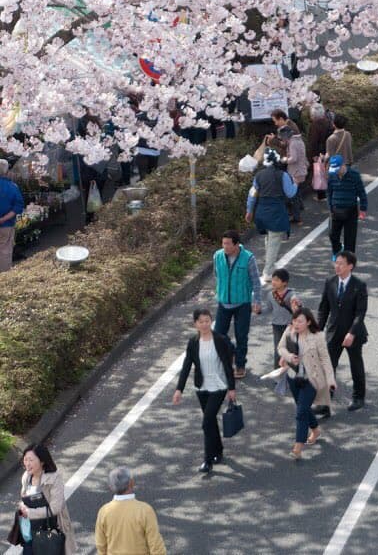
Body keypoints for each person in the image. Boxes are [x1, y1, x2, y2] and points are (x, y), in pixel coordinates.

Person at [172, 308, 238, 474]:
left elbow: (227, 365)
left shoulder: (220, 340)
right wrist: (179, 389)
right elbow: (187, 366)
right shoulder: (193, 342)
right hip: (201, 387)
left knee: (206, 421)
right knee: (210, 420)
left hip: (219, 385)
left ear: (211, 321)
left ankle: (207, 460)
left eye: (207, 321)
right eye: (201, 322)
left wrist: (231, 388)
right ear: (195, 324)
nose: (204, 324)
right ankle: (218, 450)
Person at [277, 306, 335, 459]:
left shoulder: (318, 337)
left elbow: (325, 359)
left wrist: (330, 379)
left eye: (300, 321)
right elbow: (280, 348)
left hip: (312, 379)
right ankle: (315, 430)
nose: (296, 324)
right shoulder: (289, 331)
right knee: (302, 407)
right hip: (293, 376)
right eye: (294, 321)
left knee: (301, 412)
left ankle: (298, 446)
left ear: (308, 322)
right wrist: (289, 357)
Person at [318, 251, 369, 412]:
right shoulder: (330, 282)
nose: (337, 266)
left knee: (356, 364)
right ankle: (325, 402)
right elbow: (324, 309)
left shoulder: (359, 285)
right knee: (328, 366)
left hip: (353, 333)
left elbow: (360, 312)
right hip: (333, 332)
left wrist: (352, 332)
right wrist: (317, 331)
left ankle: (358, 397)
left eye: (341, 263)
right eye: (336, 263)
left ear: (350, 266)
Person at [211, 230, 260, 378]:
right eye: (223, 243)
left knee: (241, 336)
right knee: (218, 335)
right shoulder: (217, 256)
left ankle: (240, 365)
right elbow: (216, 275)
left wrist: (257, 300)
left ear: (237, 244)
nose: (225, 246)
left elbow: (255, 281)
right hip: (223, 302)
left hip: (242, 303)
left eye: (228, 244)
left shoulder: (248, 258)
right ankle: (232, 351)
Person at [245, 149, 297, 282]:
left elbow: (252, 195)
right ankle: (268, 271)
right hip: (276, 211)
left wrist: (249, 211)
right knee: (274, 239)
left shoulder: (259, 176)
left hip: (261, 211)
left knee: (269, 237)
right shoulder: (283, 175)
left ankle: (270, 265)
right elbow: (290, 193)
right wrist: (296, 183)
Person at [15, 444, 76, 555]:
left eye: (31, 460)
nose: (27, 463)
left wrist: (30, 513)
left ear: (42, 461)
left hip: (50, 528)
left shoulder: (54, 478)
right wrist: (22, 506)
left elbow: (55, 508)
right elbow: (23, 497)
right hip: (30, 529)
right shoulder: (26, 476)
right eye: (25, 459)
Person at [94, 468, 166, 555]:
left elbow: (100, 545)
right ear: (131, 483)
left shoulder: (104, 511)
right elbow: (155, 545)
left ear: (110, 487)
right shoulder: (145, 510)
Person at [326, 154, 368, 260]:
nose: (336, 172)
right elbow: (329, 192)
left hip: (350, 210)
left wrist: (363, 208)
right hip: (335, 210)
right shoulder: (332, 176)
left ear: (343, 165)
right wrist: (330, 207)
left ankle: (349, 261)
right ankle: (337, 250)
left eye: (337, 169)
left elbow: (361, 192)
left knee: (350, 239)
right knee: (332, 235)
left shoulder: (354, 175)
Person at [264, 268, 302, 368]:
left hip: (289, 326)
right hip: (276, 325)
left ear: (284, 282)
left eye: (277, 280)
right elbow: (268, 309)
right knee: (278, 349)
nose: (273, 282)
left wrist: (296, 302)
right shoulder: (270, 295)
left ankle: (292, 371)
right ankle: (277, 372)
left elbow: (295, 300)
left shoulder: (290, 294)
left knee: (290, 349)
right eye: (273, 279)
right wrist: (258, 311)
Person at [0, 159, 24, 273]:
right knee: (5, 251)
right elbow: (18, 207)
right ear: (6, 171)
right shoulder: (12, 186)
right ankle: (4, 277)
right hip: (6, 225)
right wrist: (3, 219)